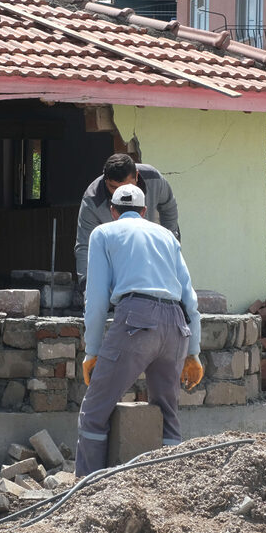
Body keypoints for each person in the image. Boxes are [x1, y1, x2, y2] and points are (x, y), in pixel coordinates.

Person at [75, 183, 203, 476]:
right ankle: (169, 486)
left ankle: (86, 491)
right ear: (146, 212)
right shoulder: (167, 237)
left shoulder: (104, 233)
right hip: (176, 326)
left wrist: (92, 350)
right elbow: (190, 298)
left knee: (94, 412)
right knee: (168, 414)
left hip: (136, 319)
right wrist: (194, 351)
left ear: (112, 211)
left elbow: (95, 300)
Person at [74, 154, 180, 286]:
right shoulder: (92, 200)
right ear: (105, 180)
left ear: (137, 175)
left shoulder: (154, 179)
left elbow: (169, 207)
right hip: (117, 261)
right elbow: (85, 245)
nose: (121, 193)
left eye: (128, 186)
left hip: (153, 252)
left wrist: (171, 242)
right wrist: (86, 283)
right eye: (114, 188)